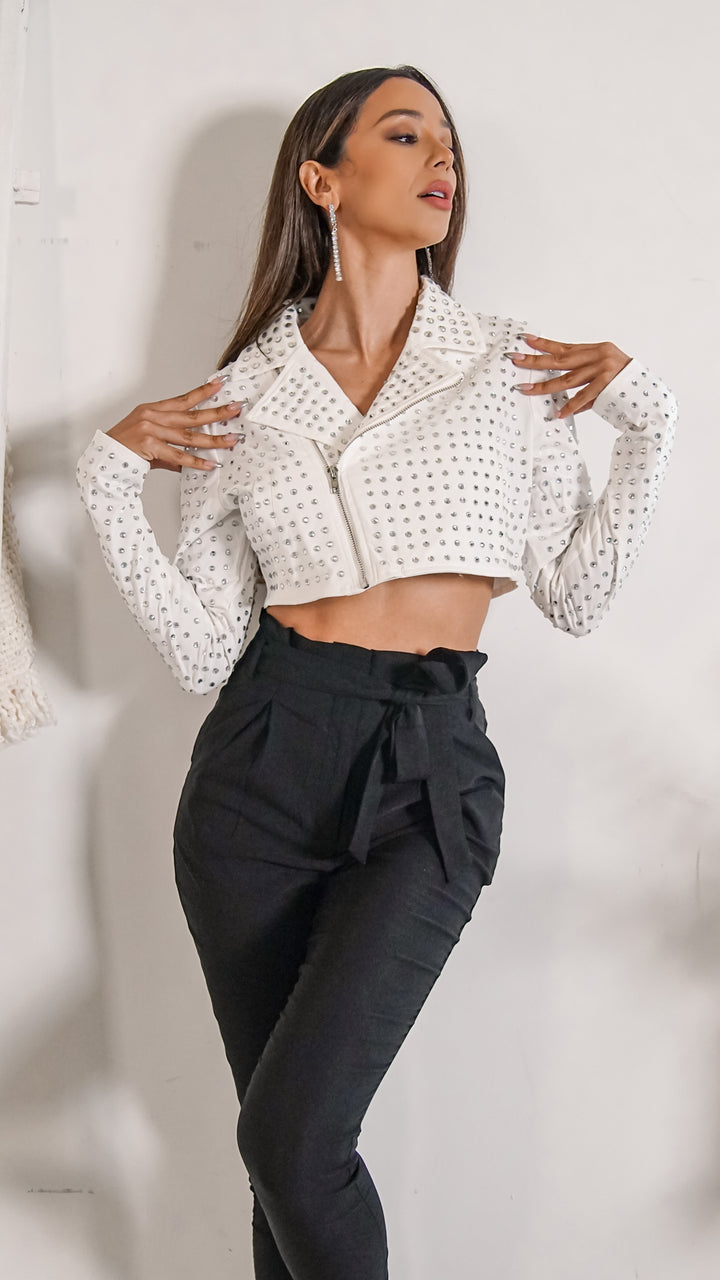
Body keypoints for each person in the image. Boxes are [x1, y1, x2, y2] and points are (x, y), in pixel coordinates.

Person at [75, 64, 678, 1280]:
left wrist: (647, 424)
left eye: (448, 141)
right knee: (280, 1160)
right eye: (405, 135)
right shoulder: (242, 398)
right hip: (257, 767)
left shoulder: (510, 368)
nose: (441, 158)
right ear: (323, 178)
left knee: (291, 1139)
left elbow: (575, 596)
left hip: (428, 773)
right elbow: (201, 647)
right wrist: (106, 478)